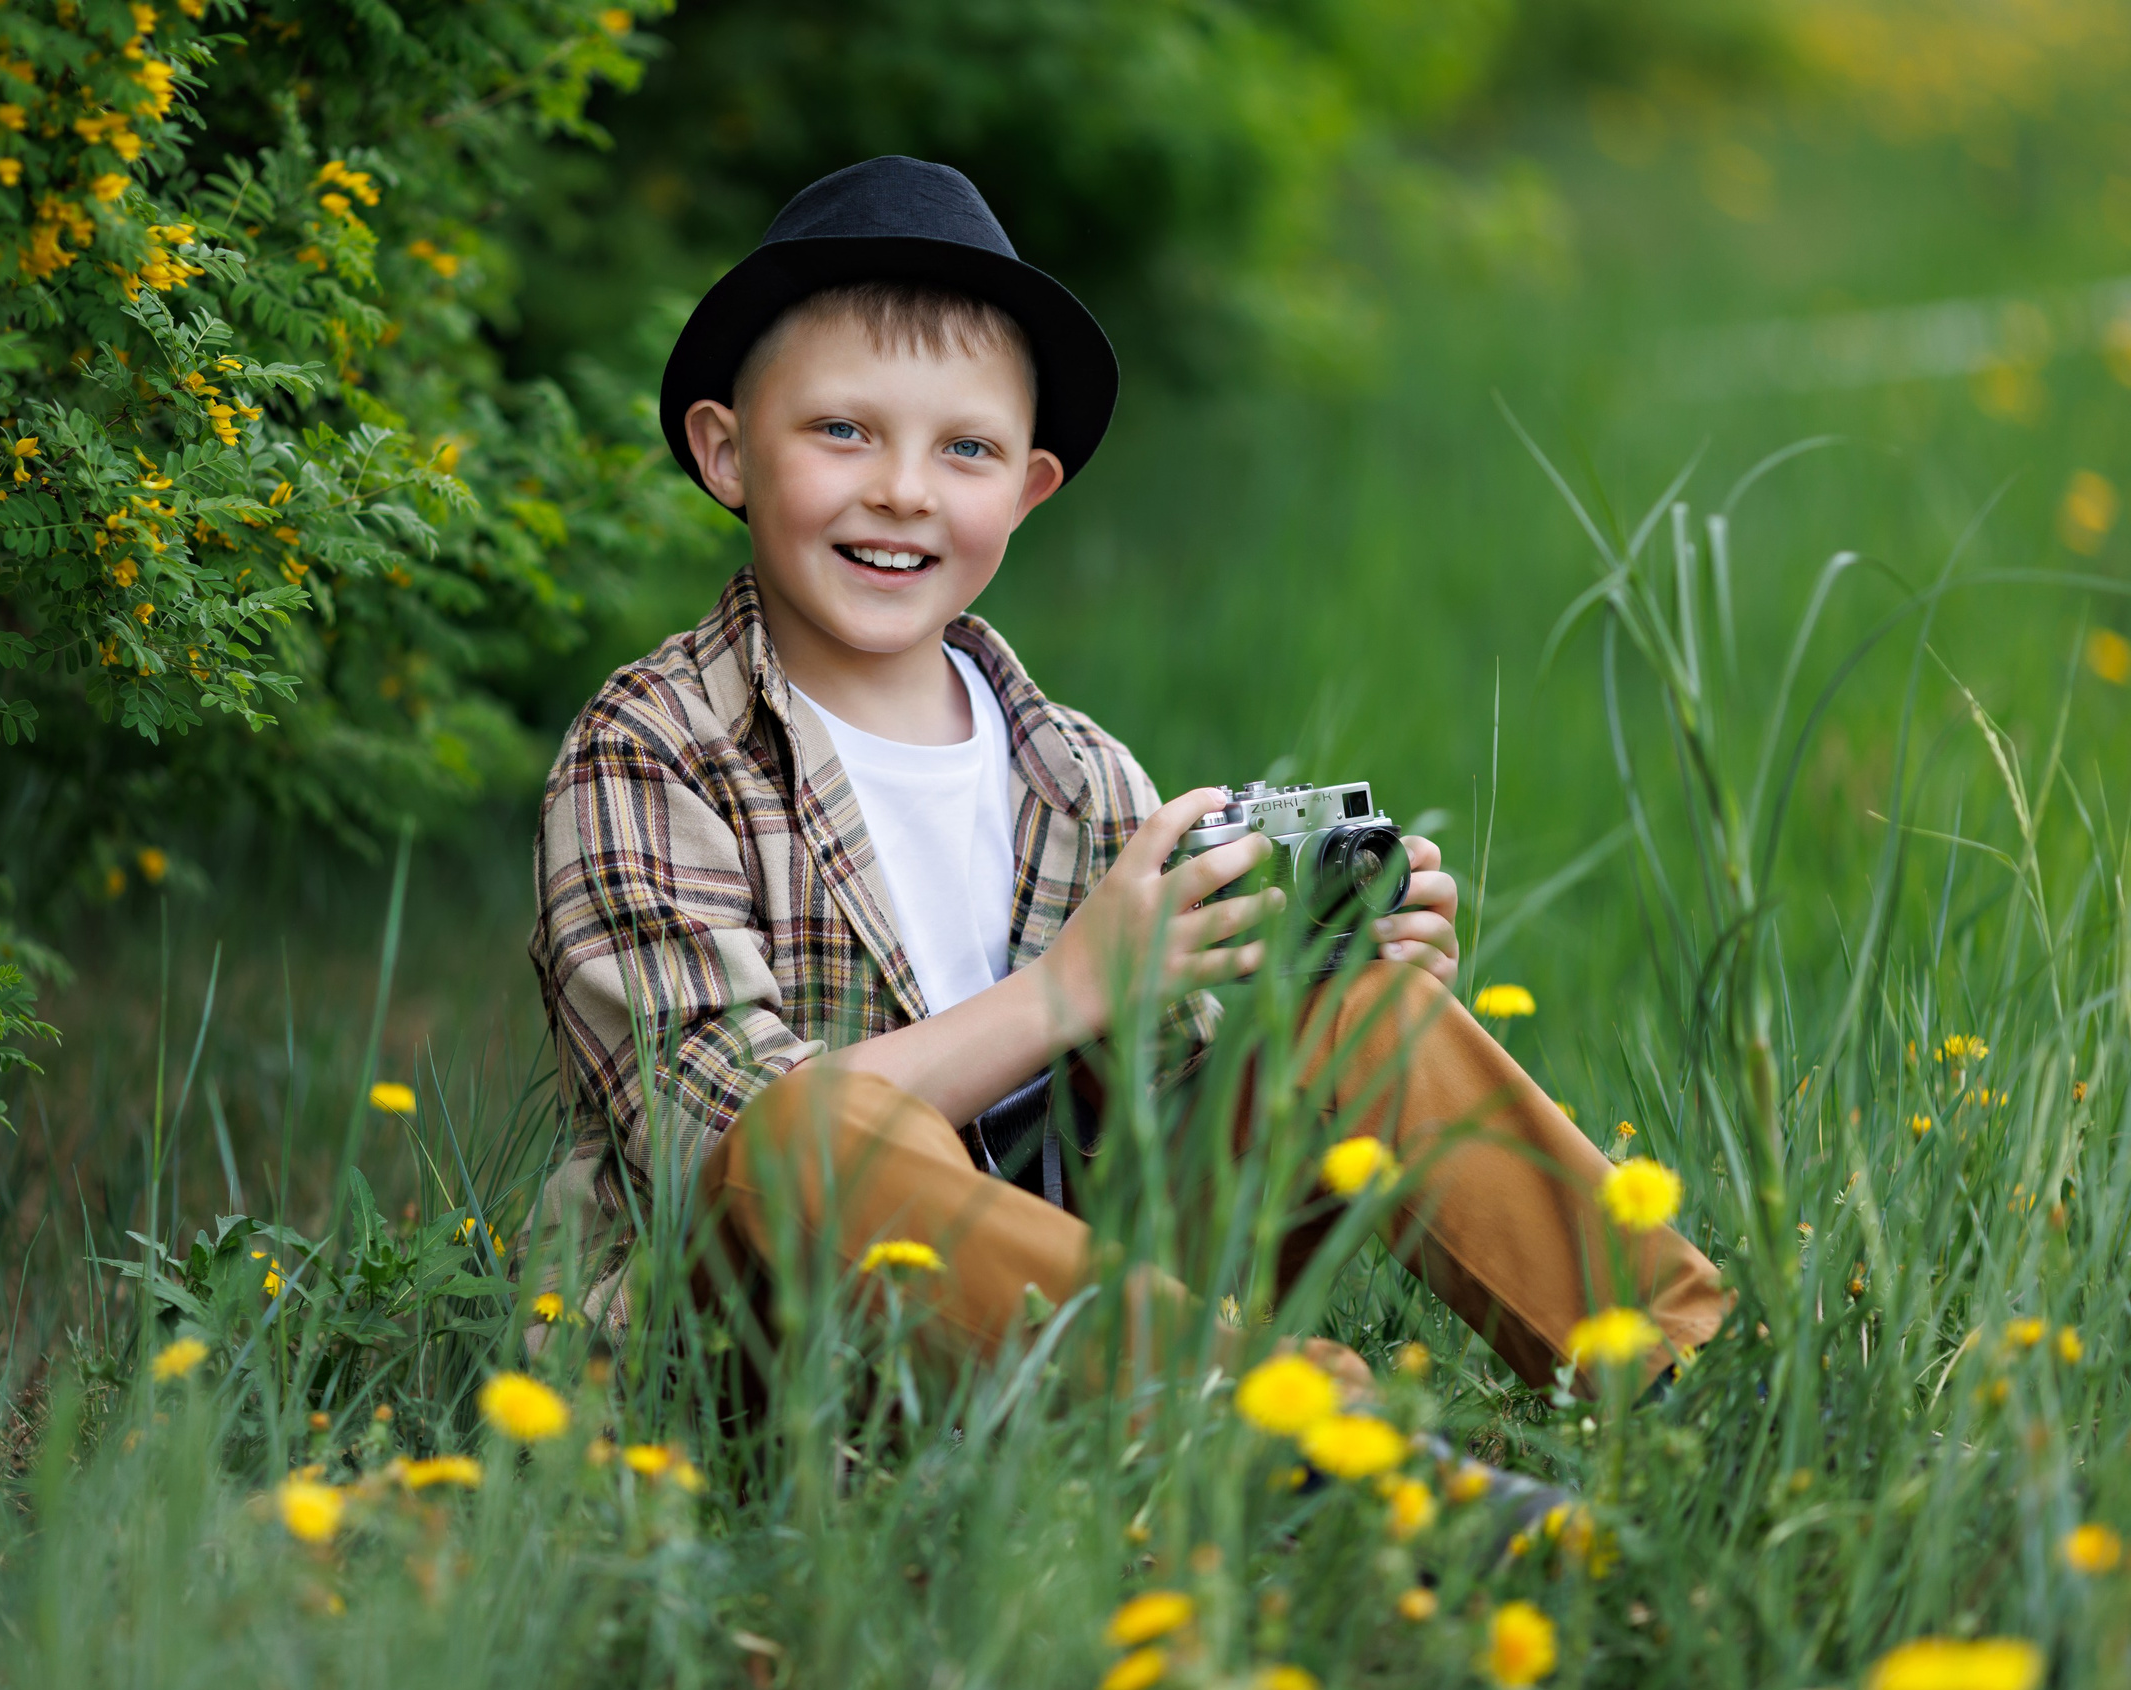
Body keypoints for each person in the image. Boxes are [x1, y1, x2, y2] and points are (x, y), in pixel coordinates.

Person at [527, 156, 1728, 1393]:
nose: (899, 488)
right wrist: (1064, 989)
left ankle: (1685, 1372)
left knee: (1347, 1010)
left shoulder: (1081, 774)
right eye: (841, 430)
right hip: (768, 1350)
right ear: (727, 454)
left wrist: (1357, 1010)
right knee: (805, 1132)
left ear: (1028, 489)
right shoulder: (654, 749)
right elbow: (716, 1151)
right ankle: (1264, 1422)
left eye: (967, 450)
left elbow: (1159, 1105)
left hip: (1093, 1292)